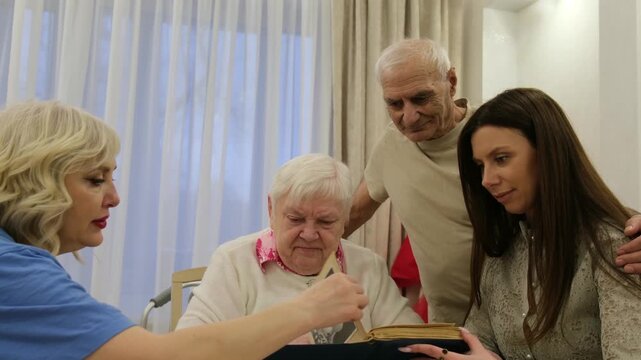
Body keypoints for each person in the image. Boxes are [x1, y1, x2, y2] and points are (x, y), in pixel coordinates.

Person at [0, 101, 369, 360]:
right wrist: (308, 310)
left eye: (325, 221)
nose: (114, 197)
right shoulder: (14, 271)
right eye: (96, 180)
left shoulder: (366, 263)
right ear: (36, 182)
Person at [345, 38, 641, 325]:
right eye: (395, 104)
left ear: (451, 81)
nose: (408, 117)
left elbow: (572, 193)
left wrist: (629, 226)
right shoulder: (390, 147)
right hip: (451, 324)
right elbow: (350, 214)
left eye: (421, 98)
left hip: (523, 322)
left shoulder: (491, 134)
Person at [402, 88, 641, 359]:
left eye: (501, 159)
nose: (486, 179)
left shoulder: (614, 246)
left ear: (548, 153)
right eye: (480, 165)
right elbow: (480, 345)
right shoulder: (500, 252)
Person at [177, 153, 422, 343]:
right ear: (271, 210)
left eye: (325, 222)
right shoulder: (234, 260)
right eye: (295, 219)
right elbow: (190, 344)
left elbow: (410, 340)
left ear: (346, 217)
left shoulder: (368, 266)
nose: (309, 234)